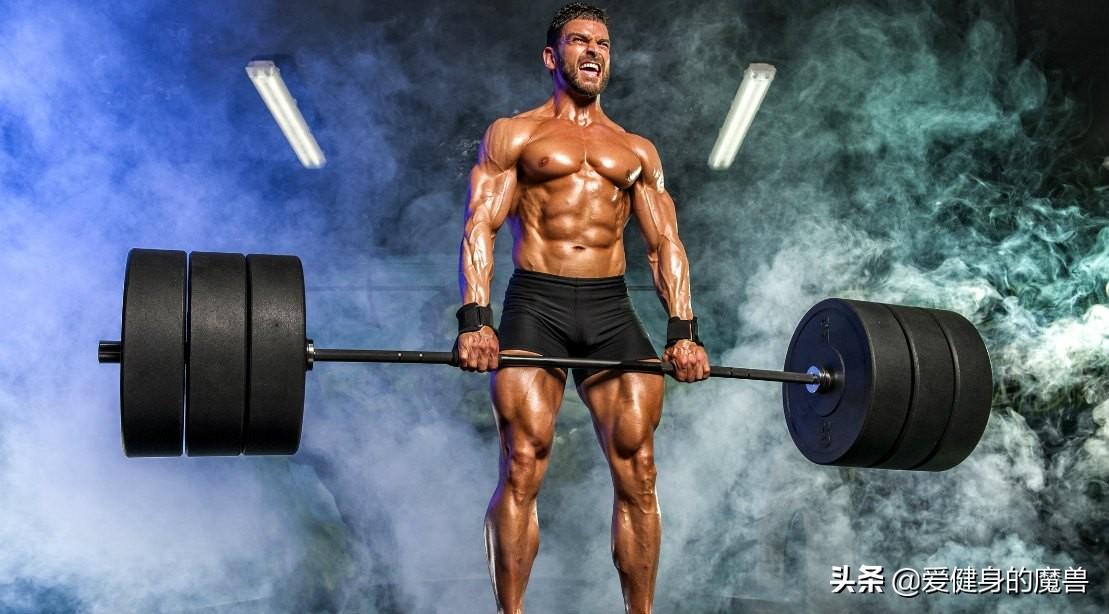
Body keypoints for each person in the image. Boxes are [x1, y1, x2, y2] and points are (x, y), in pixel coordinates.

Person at [455, 4, 710, 612]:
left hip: (609, 306)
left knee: (640, 471)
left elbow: (664, 244)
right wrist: (475, 320)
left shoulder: (636, 150)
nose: (594, 51)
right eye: (579, 41)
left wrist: (683, 331)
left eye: (603, 43)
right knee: (522, 462)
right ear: (553, 56)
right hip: (536, 302)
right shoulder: (514, 134)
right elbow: (480, 225)